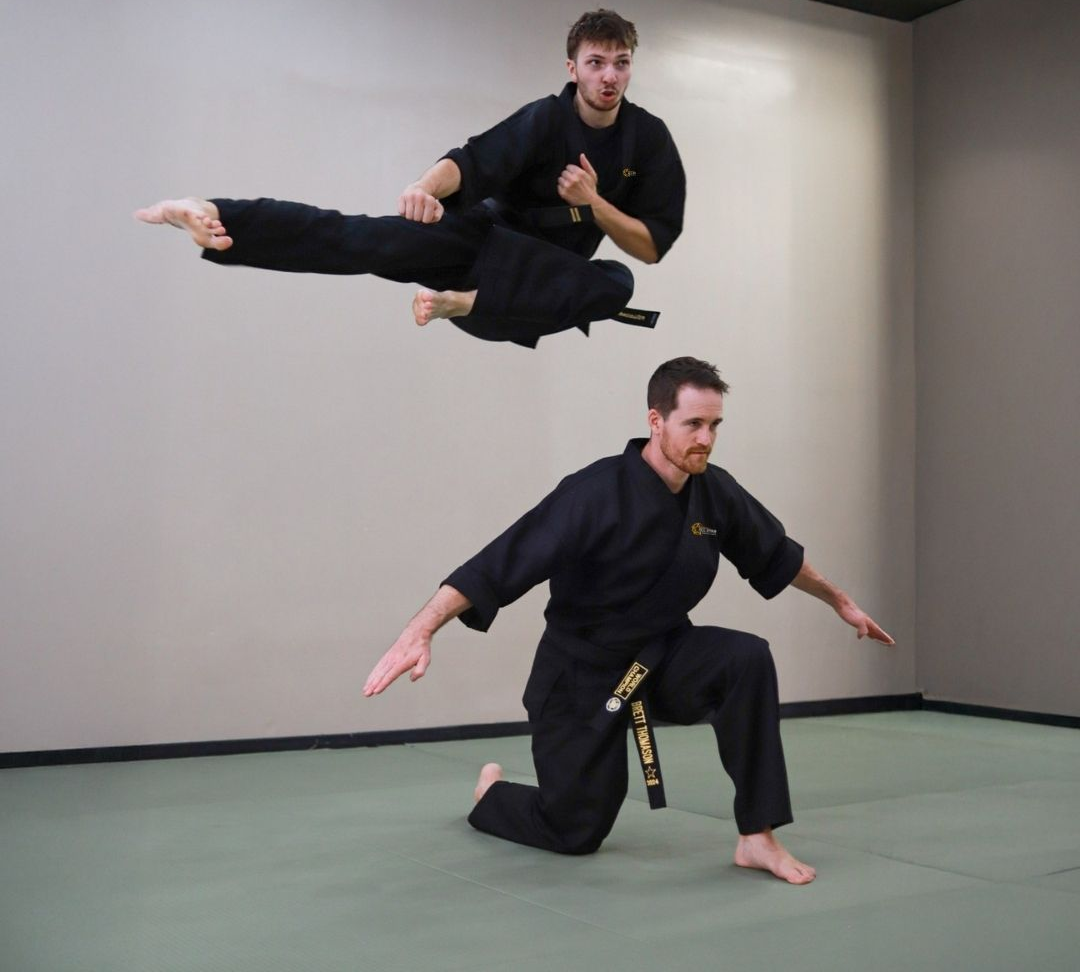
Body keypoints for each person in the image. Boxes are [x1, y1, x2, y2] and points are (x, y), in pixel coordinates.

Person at [363, 357, 894, 885]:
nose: (706, 439)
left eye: (715, 425)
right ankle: (492, 795)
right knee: (575, 830)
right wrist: (421, 629)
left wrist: (840, 601)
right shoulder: (594, 492)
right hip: (580, 675)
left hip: (660, 659)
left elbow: (776, 554)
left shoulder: (714, 491)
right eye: (693, 424)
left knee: (746, 658)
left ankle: (758, 835)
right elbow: (499, 563)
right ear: (655, 421)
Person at [134, 9, 685, 349]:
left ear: (631, 67)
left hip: (539, 283)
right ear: (573, 68)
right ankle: (210, 210)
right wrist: (423, 188)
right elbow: (472, 161)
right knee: (359, 237)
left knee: (617, 285)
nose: (609, 76)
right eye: (596, 62)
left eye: (621, 62)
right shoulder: (545, 118)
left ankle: (462, 302)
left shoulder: (649, 139)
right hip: (482, 245)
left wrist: (594, 204)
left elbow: (651, 246)